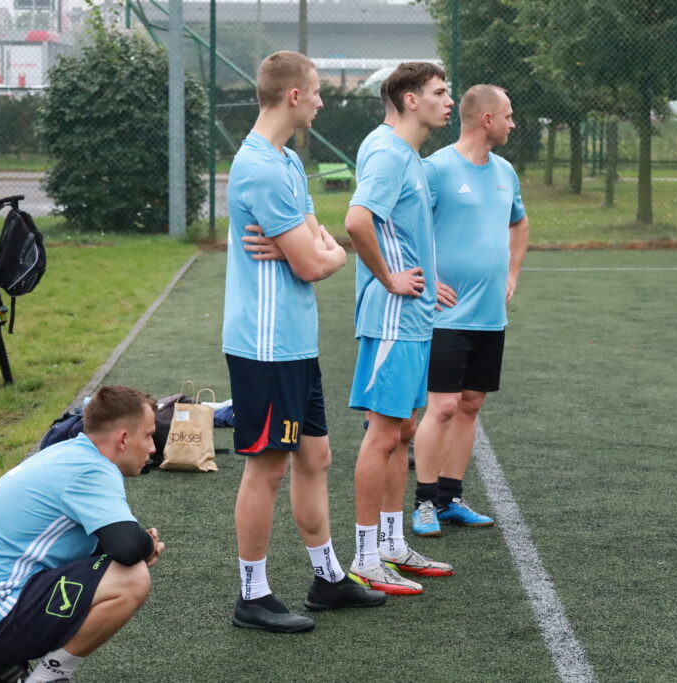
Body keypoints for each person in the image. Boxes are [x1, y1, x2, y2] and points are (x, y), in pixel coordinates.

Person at [224, 50, 385, 634]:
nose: (320, 100)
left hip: (295, 343)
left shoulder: (288, 161)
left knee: (315, 458)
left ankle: (327, 579)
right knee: (266, 469)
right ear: (293, 95)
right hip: (265, 347)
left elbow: (324, 245)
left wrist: (323, 251)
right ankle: (252, 595)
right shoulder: (261, 169)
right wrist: (321, 254)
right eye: (315, 91)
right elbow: (315, 262)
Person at [0, 385, 166, 683]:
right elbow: (127, 547)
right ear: (123, 439)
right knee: (132, 577)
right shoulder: (92, 469)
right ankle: (49, 677)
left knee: (95, 559)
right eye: (148, 435)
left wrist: (138, 543)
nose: (152, 448)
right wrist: (146, 545)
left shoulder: (66, 451)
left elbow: (108, 544)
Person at [343, 62, 455, 596]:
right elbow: (357, 221)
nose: (448, 101)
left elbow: (399, 231)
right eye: (439, 92)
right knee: (384, 435)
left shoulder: (405, 153)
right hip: (393, 318)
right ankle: (366, 557)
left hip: (414, 316)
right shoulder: (389, 152)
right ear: (411, 100)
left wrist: (429, 279)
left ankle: (390, 544)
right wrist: (390, 277)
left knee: (403, 432)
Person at [411, 85, 529, 537]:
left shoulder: (505, 172)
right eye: (508, 115)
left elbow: (519, 223)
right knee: (442, 406)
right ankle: (424, 503)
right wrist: (425, 277)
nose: (513, 124)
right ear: (487, 120)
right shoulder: (436, 168)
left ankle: (449, 499)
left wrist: (512, 272)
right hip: (446, 315)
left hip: (490, 315)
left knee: (471, 405)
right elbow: (405, 227)